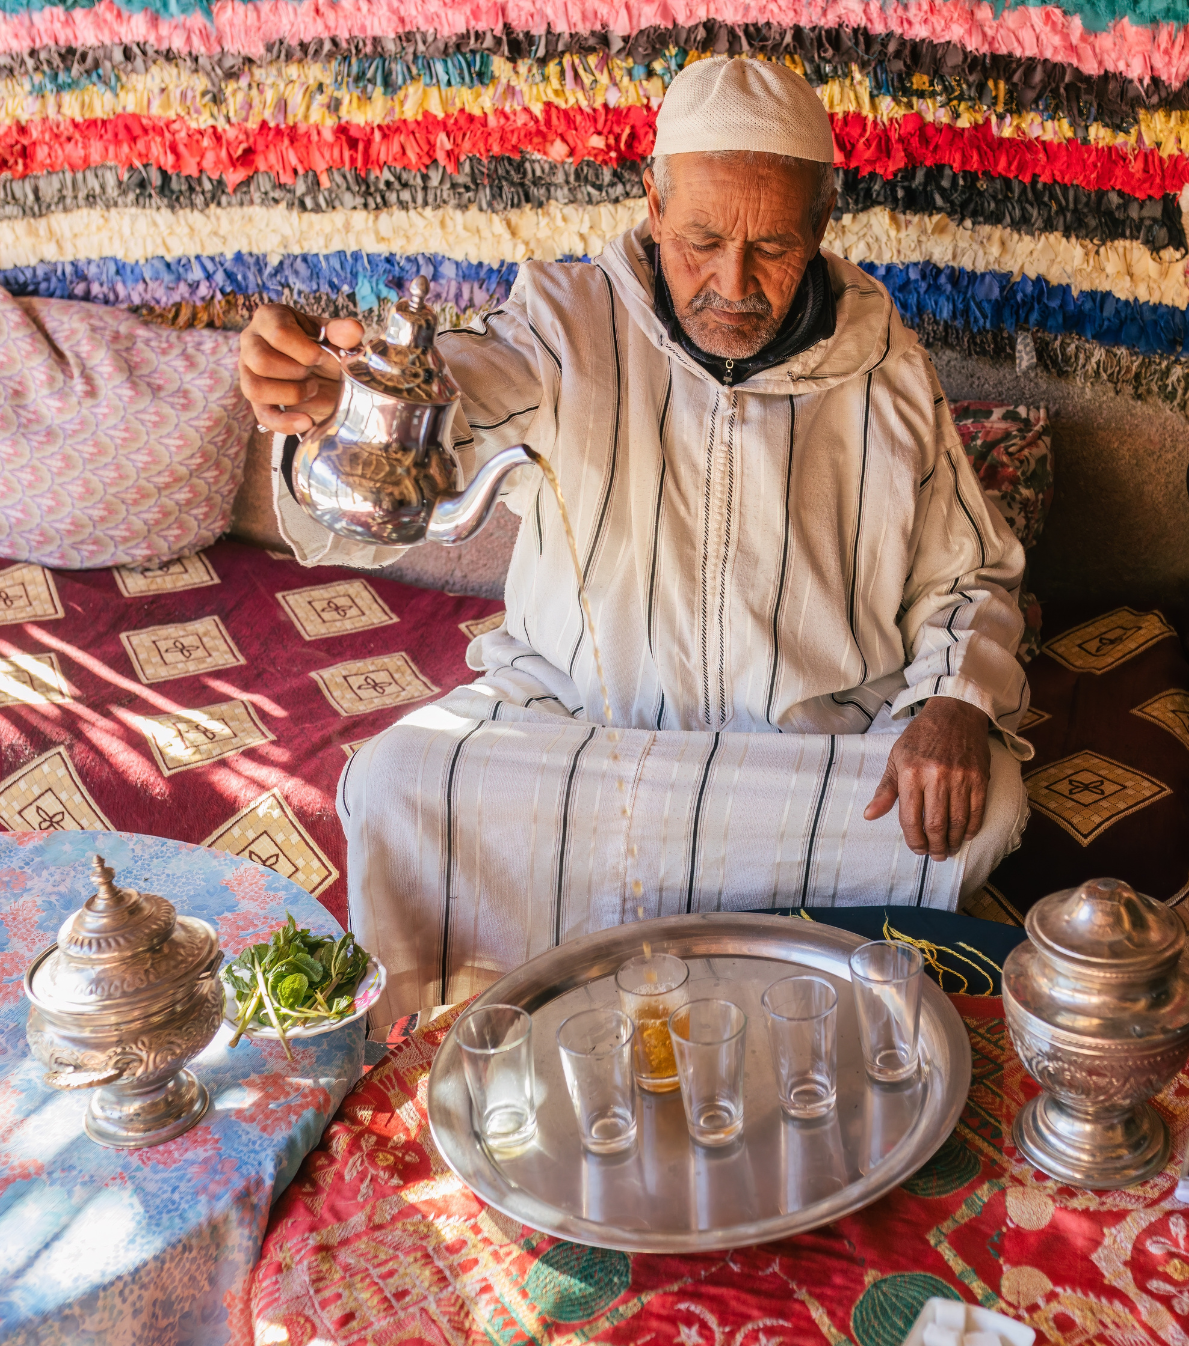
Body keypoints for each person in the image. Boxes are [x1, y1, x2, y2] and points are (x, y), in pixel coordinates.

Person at [239, 57, 1032, 1020]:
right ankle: (735, 966)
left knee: (981, 803)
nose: (730, 283)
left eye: (771, 247)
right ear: (653, 207)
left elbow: (970, 575)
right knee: (400, 779)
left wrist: (953, 704)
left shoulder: (885, 367)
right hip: (579, 733)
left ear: (822, 224)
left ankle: (640, 963)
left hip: (793, 759)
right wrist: (344, 404)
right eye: (701, 240)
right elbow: (459, 396)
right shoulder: (563, 326)